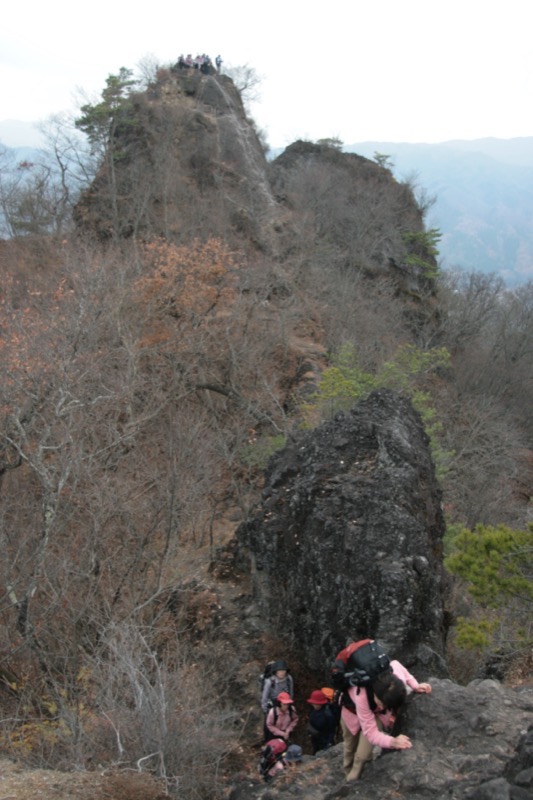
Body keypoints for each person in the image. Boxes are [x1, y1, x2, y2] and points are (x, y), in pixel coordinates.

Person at [341, 660, 432, 781]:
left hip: (376, 716)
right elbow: (371, 733)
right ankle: (347, 771)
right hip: (351, 713)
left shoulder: (396, 677)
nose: (382, 707)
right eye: (380, 702)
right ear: (375, 692)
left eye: (386, 705)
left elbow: (402, 669)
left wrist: (415, 685)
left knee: (362, 755)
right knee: (349, 746)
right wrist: (392, 742)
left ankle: (353, 779)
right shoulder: (362, 694)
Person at [306, 689, 337, 754]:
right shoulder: (312, 710)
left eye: (317, 704)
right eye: (313, 703)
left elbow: (332, 731)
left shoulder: (328, 715)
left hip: (324, 740)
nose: (315, 705)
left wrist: (329, 743)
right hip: (315, 738)